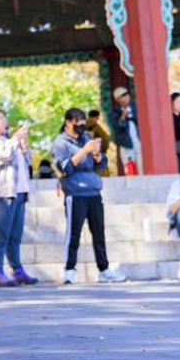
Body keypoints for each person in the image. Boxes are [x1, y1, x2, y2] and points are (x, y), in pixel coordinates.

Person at [52, 108, 127, 285]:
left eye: (83, 121)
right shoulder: (60, 142)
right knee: (74, 233)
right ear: (68, 122)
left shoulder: (87, 138)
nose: (81, 124)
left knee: (99, 232)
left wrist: (97, 155)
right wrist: (84, 151)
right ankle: (69, 269)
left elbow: (100, 166)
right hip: (75, 193)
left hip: (94, 192)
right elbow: (65, 168)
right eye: (77, 121)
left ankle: (104, 269)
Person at [0, 105, 37, 287]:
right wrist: (15, 139)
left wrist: (23, 146)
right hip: (2, 193)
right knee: (0, 234)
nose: (4, 122)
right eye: (0, 118)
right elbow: (5, 154)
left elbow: (26, 161)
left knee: (15, 235)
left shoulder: (6, 140)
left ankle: (17, 270)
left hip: (18, 192)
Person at [109, 87, 140, 175]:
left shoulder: (136, 108)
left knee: (142, 165)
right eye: (123, 95)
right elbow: (117, 128)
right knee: (130, 166)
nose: (127, 96)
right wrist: (122, 117)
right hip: (126, 143)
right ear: (117, 99)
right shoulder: (114, 113)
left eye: (127, 93)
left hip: (139, 140)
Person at [84, 110, 112, 174]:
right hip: (96, 155)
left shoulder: (81, 127)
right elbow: (106, 139)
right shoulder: (95, 126)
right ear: (96, 118)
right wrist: (102, 150)